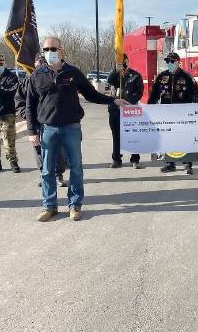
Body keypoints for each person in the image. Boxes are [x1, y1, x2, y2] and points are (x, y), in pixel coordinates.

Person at [26, 37, 129, 222]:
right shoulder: (37, 75)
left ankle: (75, 205)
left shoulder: (72, 72)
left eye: (53, 48)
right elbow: (30, 106)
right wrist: (31, 131)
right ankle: (49, 206)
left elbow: (91, 94)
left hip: (71, 127)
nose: (49, 52)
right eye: (46, 49)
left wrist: (112, 100)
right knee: (47, 170)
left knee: (76, 167)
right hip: (48, 129)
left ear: (61, 50)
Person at [14, 53, 67, 187]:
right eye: (37, 65)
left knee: (58, 150)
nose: (39, 67)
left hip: (53, 121)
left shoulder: (54, 78)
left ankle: (58, 174)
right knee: (38, 151)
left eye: (43, 64)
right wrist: (26, 114)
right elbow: (20, 100)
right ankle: (44, 175)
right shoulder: (28, 81)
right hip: (36, 122)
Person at [148, 52, 198, 175]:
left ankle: (188, 164)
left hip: (184, 115)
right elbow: (154, 95)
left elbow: (196, 95)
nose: (169, 64)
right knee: (168, 138)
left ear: (178, 62)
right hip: (166, 115)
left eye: (172, 61)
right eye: (167, 62)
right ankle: (169, 164)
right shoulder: (161, 76)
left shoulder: (187, 77)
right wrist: (149, 109)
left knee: (185, 138)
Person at [107, 54, 144, 169]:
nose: (121, 64)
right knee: (116, 135)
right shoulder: (114, 75)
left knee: (132, 134)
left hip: (129, 110)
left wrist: (126, 102)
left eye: (123, 61)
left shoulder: (135, 76)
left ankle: (135, 159)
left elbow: (139, 93)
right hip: (114, 110)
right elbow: (109, 80)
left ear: (127, 61)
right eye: (118, 62)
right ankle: (116, 159)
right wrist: (115, 70)